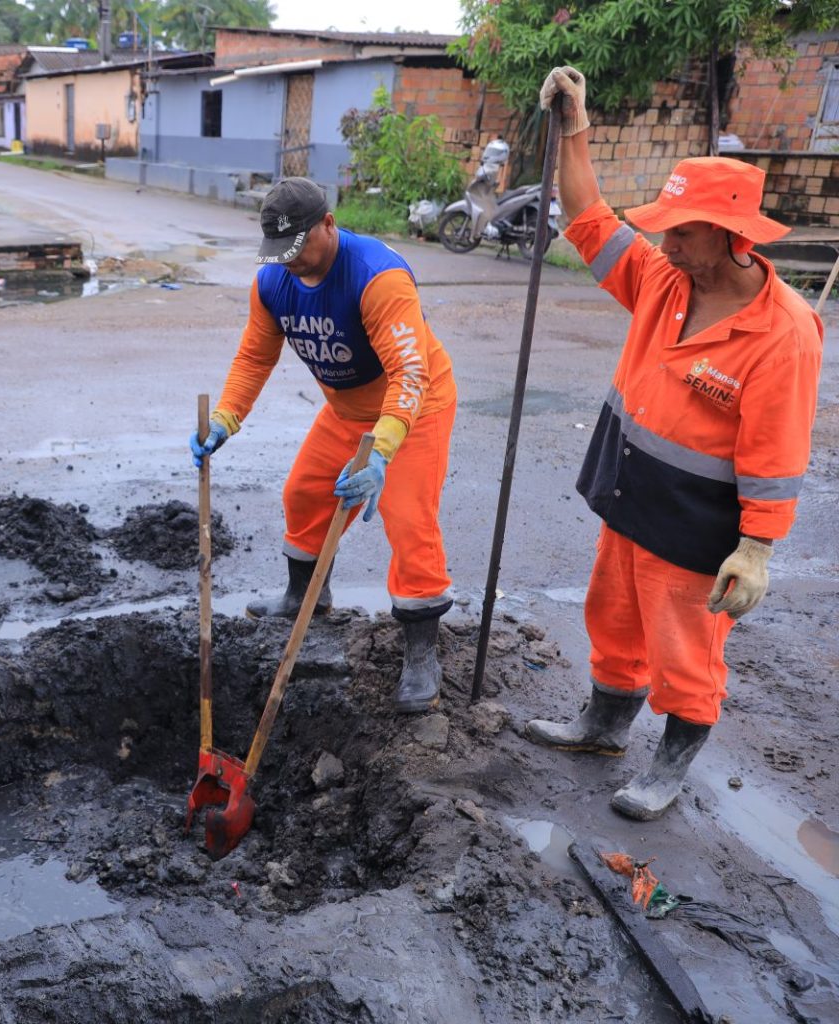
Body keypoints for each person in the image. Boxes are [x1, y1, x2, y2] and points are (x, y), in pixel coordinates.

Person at [524, 68, 823, 820]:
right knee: (613, 618)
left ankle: (671, 762)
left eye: (682, 230)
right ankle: (602, 726)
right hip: (628, 492)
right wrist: (574, 128)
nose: (665, 240)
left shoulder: (781, 333)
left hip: (697, 523)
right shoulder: (664, 279)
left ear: (731, 236)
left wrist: (756, 549)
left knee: (685, 650)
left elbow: (778, 452)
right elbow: (588, 216)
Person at [190, 177, 458, 713]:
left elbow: (410, 374)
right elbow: (253, 358)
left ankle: (421, 654)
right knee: (304, 494)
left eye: (298, 249)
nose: (292, 263)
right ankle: (304, 598)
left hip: (414, 410)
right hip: (345, 408)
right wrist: (226, 418)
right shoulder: (272, 282)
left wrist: (381, 452)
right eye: (280, 253)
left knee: (409, 523)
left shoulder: (377, 278)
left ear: (329, 224)